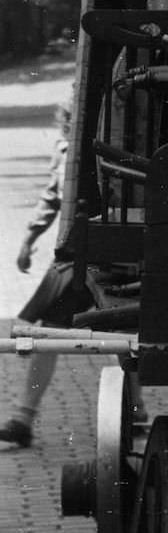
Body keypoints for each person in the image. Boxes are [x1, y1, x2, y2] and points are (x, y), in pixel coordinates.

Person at [0, 100, 77, 448]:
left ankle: (135, 409)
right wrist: (29, 239)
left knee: (122, 331)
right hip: (76, 255)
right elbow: (52, 198)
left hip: (103, 251)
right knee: (50, 332)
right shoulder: (65, 150)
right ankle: (22, 417)